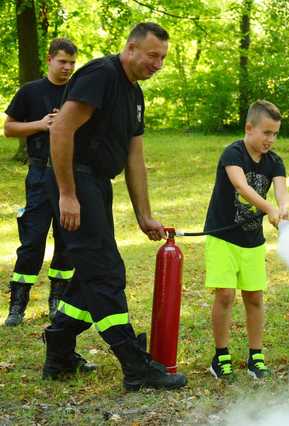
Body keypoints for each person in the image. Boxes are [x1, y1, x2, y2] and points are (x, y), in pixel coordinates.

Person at [43, 22, 186, 391]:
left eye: (163, 58)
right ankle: (135, 366)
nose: (158, 64)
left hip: (97, 184)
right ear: (131, 48)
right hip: (74, 179)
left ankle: (58, 352)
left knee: (90, 272)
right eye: (153, 55)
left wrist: (144, 215)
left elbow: (134, 157)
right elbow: (61, 130)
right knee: (106, 273)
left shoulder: (135, 94)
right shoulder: (100, 75)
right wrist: (67, 193)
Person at [204, 100, 289, 380]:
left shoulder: (274, 161)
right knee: (226, 295)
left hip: (252, 240)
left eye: (275, 133)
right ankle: (221, 357)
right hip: (222, 236)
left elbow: (281, 190)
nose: (271, 139)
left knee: (254, 297)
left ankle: (256, 356)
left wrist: (283, 210)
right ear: (249, 128)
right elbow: (241, 185)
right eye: (266, 132)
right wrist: (269, 209)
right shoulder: (233, 153)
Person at [3, 38, 78, 326]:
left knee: (67, 240)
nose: (67, 67)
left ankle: (57, 301)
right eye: (62, 61)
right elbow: (9, 128)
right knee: (32, 241)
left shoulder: (78, 92)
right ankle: (17, 305)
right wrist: (42, 124)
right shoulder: (31, 91)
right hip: (39, 173)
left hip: (71, 175)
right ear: (49, 59)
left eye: (72, 62)